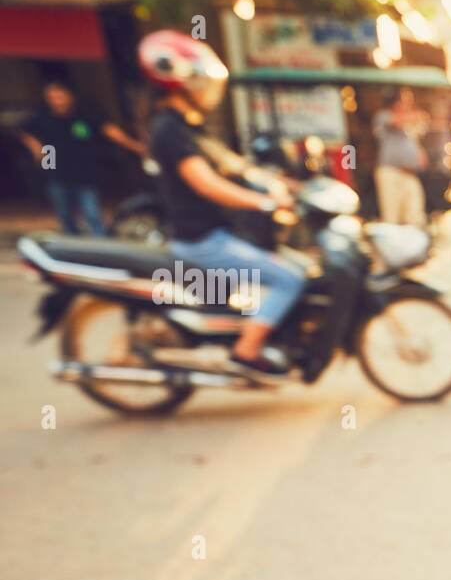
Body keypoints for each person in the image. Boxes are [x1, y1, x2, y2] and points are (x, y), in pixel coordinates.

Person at [138, 30, 305, 379]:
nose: (206, 89)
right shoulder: (170, 130)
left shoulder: (191, 127)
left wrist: (284, 184)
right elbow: (208, 183)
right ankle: (246, 353)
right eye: (199, 80)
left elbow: (233, 165)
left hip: (219, 234)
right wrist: (263, 202)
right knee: (289, 278)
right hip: (202, 241)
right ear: (180, 82)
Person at [18, 79, 145, 237]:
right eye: (52, 97)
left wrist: (135, 146)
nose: (56, 101)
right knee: (65, 216)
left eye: (60, 96)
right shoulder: (42, 115)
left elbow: (109, 130)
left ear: (70, 96)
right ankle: (75, 248)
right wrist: (36, 147)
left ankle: (102, 246)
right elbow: (23, 129)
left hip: (84, 171)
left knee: (91, 213)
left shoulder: (85, 113)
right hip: (54, 170)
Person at [372, 88, 429, 226]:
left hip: (409, 173)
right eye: (403, 101)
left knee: (414, 215)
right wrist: (417, 116)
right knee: (391, 216)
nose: (407, 104)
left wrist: (420, 155)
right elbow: (397, 122)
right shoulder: (383, 116)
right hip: (390, 172)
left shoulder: (410, 124)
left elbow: (415, 141)